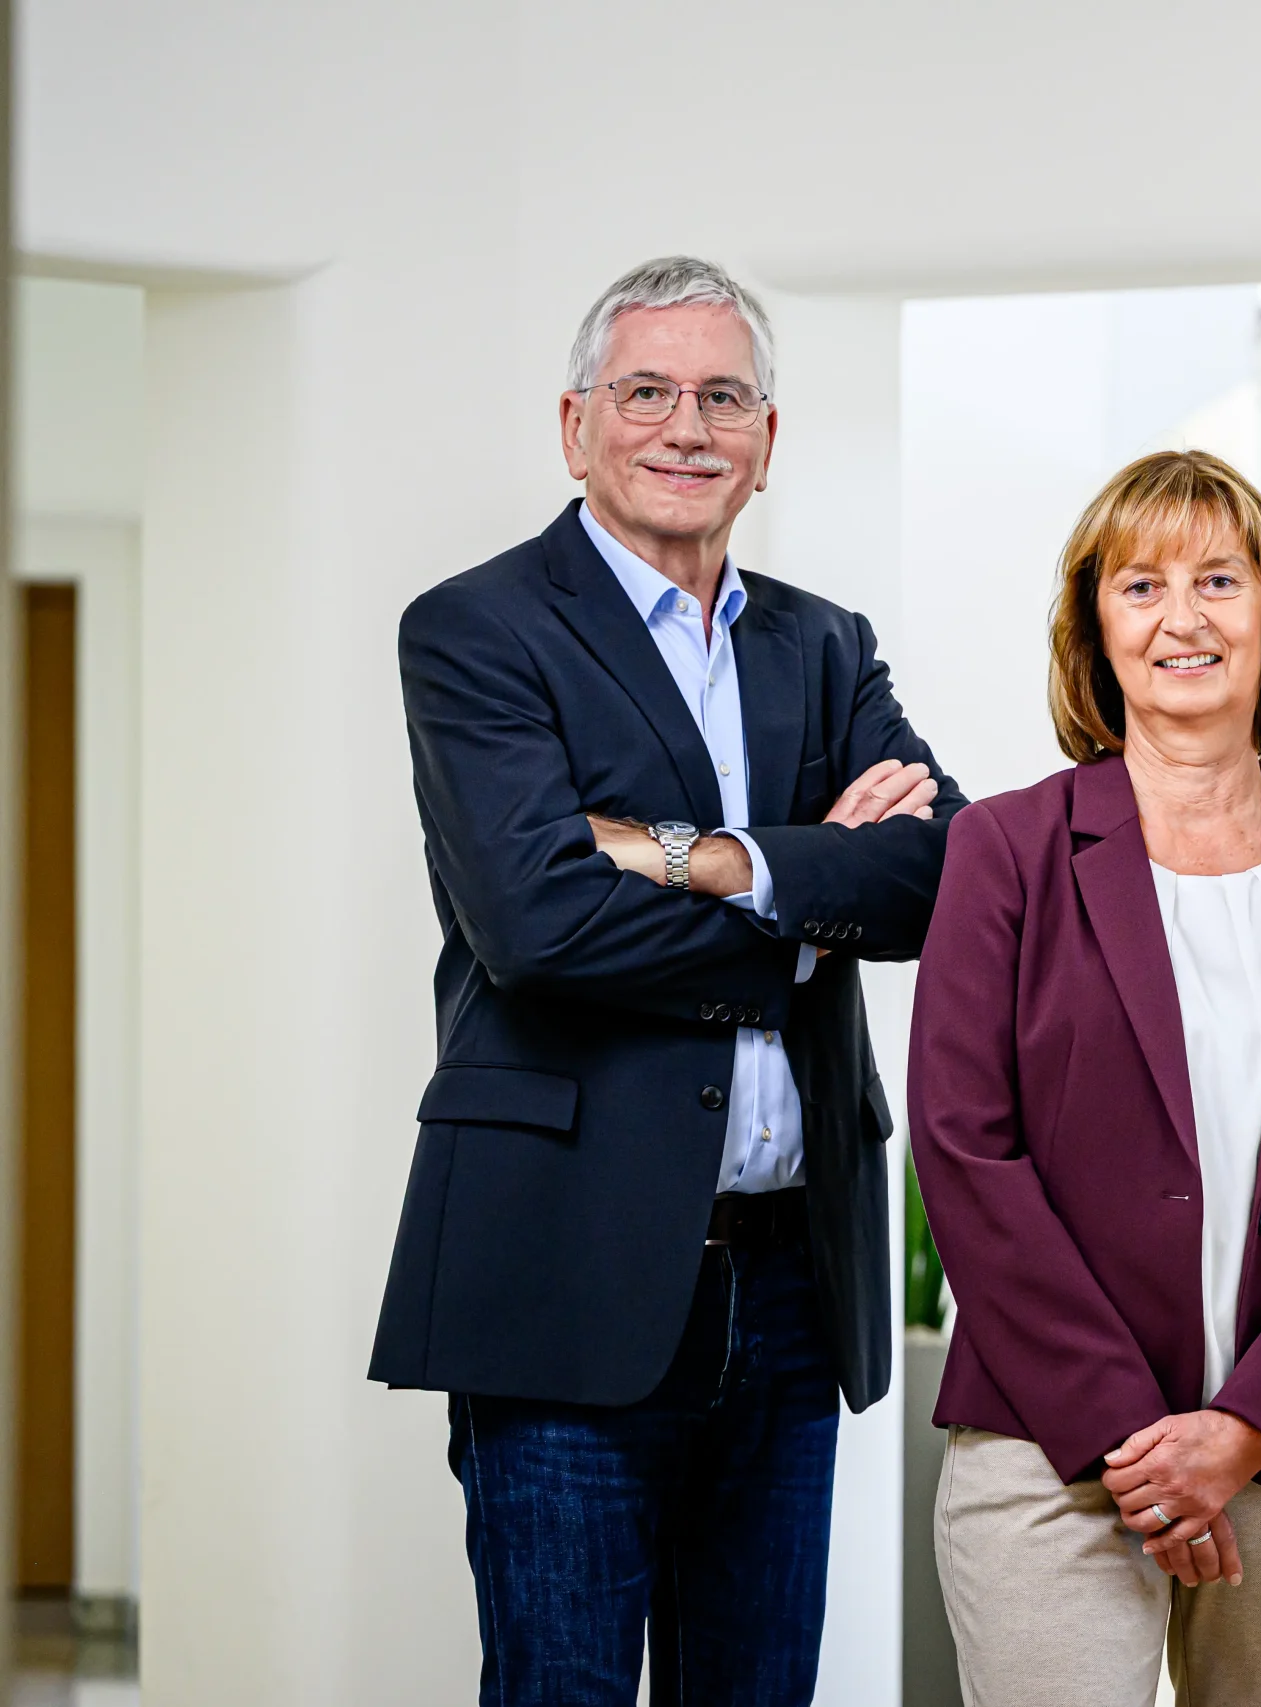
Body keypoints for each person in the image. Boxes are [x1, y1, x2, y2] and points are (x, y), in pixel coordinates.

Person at [368, 255, 965, 1706]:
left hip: (792, 1274)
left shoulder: (825, 644)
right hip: (565, 1265)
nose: (685, 427)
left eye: (722, 397)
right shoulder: (476, 629)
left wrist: (693, 857)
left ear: (768, 437)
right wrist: (810, 888)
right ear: (576, 425)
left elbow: (939, 871)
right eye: (646, 392)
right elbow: (537, 925)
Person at [908, 450, 1261, 1707]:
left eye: (1218, 579)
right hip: (1051, 1452)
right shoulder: (1003, 852)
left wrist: (1245, 1431)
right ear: (1095, 629)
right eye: (1140, 585)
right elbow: (966, 1150)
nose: (1182, 617)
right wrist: (1136, 1445)